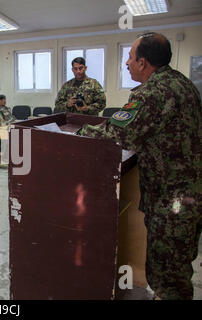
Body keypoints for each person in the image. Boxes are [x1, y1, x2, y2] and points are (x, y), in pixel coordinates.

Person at [79, 32, 201, 300]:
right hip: (189, 196)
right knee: (179, 269)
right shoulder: (182, 84)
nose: (126, 63)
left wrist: (79, 134)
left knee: (168, 276)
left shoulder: (152, 93)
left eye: (130, 57)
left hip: (171, 203)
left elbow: (120, 134)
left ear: (143, 62)